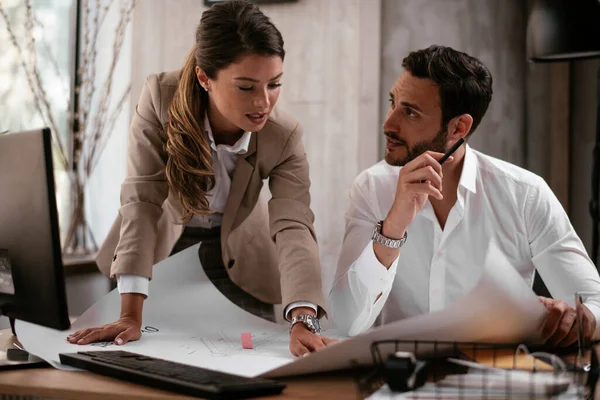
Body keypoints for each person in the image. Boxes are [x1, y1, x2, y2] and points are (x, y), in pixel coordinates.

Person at [67, 0, 333, 357]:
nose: (263, 102)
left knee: (250, 364)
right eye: (246, 87)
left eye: (274, 84)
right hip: (160, 254)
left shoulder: (282, 135)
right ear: (205, 78)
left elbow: (294, 224)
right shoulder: (161, 98)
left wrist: (304, 318)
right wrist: (130, 313)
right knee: (148, 364)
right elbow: (142, 202)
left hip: (240, 263)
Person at [329, 45, 600, 346]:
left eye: (410, 112)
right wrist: (392, 227)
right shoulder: (371, 189)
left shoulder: (525, 195)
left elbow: (594, 302)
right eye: (393, 103)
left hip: (494, 382)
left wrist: (575, 321)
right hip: (398, 383)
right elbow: (346, 322)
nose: (388, 124)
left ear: (459, 127)